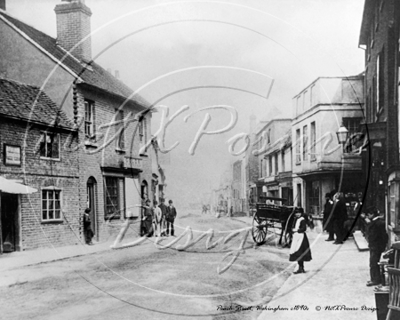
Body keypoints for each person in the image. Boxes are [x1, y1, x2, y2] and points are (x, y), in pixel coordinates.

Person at [362, 208, 388, 286]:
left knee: (373, 263)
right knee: (373, 263)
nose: (368, 216)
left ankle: (375, 280)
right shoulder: (376, 222)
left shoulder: (378, 223)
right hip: (374, 245)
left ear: (372, 214)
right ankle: (375, 278)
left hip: (376, 246)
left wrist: (382, 246)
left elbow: (384, 236)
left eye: (368, 215)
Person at [289, 208, 312, 274]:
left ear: (301, 213)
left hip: (301, 238)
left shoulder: (302, 220)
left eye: (299, 213)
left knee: (300, 253)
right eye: (296, 213)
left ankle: (301, 268)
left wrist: (297, 230)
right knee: (296, 252)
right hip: (296, 237)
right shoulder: (296, 219)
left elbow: (304, 228)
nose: (297, 214)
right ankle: (300, 267)